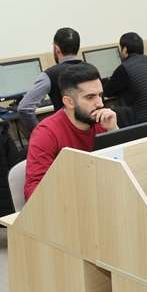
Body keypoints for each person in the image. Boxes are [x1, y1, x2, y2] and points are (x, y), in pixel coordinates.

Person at [24, 63, 118, 200]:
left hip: (100, 197)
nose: (100, 104)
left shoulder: (104, 122)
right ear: (69, 102)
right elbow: (34, 192)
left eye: (100, 95)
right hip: (69, 202)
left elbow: (124, 169)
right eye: (90, 97)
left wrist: (113, 131)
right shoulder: (46, 133)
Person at [18, 27, 83, 135]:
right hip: (92, 134)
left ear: (56, 49)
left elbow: (24, 108)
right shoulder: (92, 70)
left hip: (66, 136)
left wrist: (42, 135)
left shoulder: (50, 75)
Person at [103, 32, 147, 125]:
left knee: (112, 111)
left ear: (124, 49)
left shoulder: (125, 68)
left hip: (145, 122)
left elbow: (107, 92)